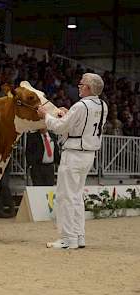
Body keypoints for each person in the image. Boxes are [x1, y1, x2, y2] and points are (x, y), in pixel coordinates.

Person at [37, 73, 108, 249]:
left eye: (81, 84)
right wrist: (66, 115)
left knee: (65, 197)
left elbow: (60, 128)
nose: (79, 86)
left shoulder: (81, 105)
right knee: (76, 196)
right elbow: (79, 123)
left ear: (89, 88)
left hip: (74, 154)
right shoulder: (103, 105)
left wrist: (46, 115)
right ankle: (78, 236)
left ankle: (68, 239)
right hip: (88, 154)